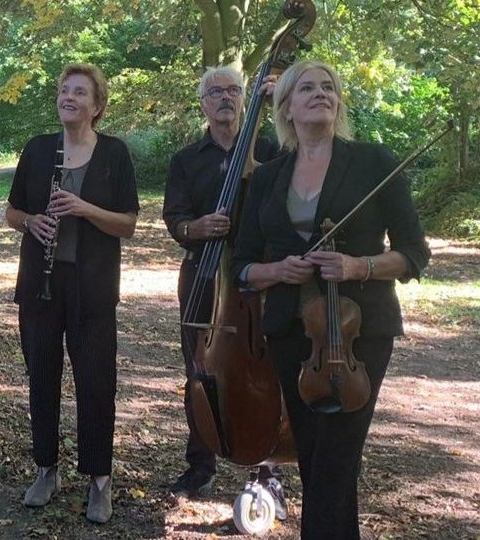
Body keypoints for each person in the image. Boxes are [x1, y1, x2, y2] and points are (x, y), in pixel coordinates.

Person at [231, 60, 431, 539]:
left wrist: (359, 265)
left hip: (358, 329)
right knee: (315, 454)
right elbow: (243, 264)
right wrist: (277, 270)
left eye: (328, 87)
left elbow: (414, 253)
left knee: (336, 459)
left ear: (338, 102)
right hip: (290, 330)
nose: (320, 93)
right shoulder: (267, 176)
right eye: (307, 88)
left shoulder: (373, 162)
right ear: (287, 106)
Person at [5, 63, 139, 524]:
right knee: (42, 377)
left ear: (96, 106)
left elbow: (128, 224)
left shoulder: (114, 155)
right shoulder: (39, 150)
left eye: (80, 92)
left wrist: (83, 207)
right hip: (40, 285)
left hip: (94, 286)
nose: (69, 97)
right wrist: (31, 221)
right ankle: (46, 469)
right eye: (64, 90)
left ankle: (99, 478)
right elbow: (10, 211)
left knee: (96, 383)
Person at [163, 65, 287, 513]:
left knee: (263, 372)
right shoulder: (185, 159)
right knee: (200, 369)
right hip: (202, 275)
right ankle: (200, 464)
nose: (225, 98)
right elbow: (173, 217)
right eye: (215, 92)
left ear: (243, 98)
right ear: (203, 103)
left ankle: (266, 469)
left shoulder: (271, 149)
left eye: (233, 90)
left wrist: (279, 108)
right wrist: (194, 227)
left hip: (258, 276)